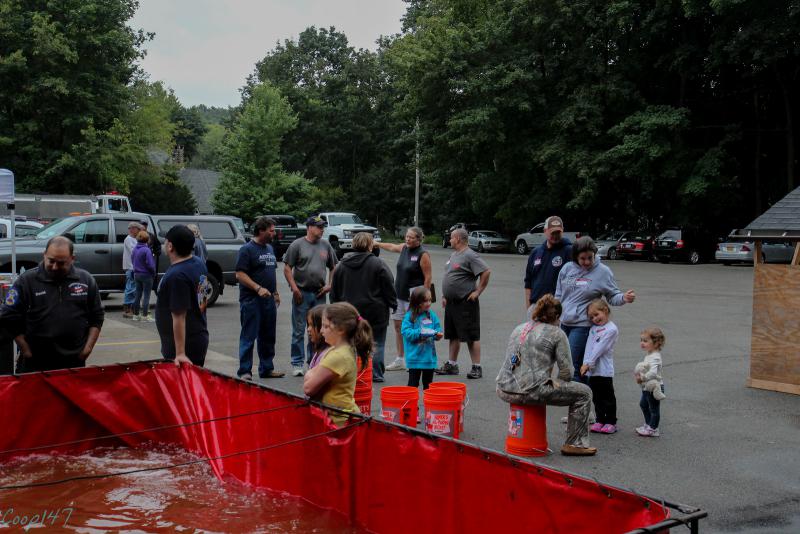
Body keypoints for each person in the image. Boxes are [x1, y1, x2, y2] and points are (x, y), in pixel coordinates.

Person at [496, 294, 596, 456]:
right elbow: (567, 372)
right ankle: (575, 443)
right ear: (557, 316)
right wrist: (555, 383)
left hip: (504, 388)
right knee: (584, 393)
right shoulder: (557, 333)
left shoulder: (519, 328)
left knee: (538, 384)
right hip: (531, 391)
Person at [0, 236, 104, 372]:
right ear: (44, 255)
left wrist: (87, 349)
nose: (55, 267)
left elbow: (97, 316)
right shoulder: (26, 281)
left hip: (73, 363)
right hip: (35, 364)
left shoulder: (86, 280)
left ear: (72, 259)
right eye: (51, 261)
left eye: (61, 263)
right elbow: (7, 315)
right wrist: (25, 349)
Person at [555, 236, 635, 383]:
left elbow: (613, 295)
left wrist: (624, 297)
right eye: (582, 258)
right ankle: (579, 393)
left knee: (575, 362)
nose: (586, 262)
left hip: (582, 325)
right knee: (565, 360)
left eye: (590, 258)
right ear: (575, 257)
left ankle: (579, 398)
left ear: (595, 254)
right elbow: (559, 294)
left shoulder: (603, 272)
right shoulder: (567, 268)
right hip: (564, 322)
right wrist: (555, 314)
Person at [330, 232, 397, 382]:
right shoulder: (378, 264)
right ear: (370, 245)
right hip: (376, 311)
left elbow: (335, 289)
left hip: (350, 312)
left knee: (351, 343)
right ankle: (376, 374)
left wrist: (335, 306)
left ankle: (352, 372)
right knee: (377, 342)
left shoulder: (342, 265)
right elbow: (389, 285)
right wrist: (393, 303)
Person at [283, 215, 338, 376]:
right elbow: (287, 268)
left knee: (318, 329)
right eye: (319, 227)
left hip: (319, 293)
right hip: (302, 293)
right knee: (299, 329)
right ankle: (297, 363)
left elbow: (334, 267)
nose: (322, 230)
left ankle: (313, 361)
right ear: (309, 227)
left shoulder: (325, 245)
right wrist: (294, 289)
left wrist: (330, 285)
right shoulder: (297, 245)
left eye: (323, 227)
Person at [303, 302, 372, 427]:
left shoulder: (338, 356)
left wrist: (310, 373)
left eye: (326, 326)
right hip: (338, 417)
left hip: (338, 422)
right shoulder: (339, 350)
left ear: (340, 329)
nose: (321, 330)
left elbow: (308, 388)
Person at [375, 227, 432, 372]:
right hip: (398, 294)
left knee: (415, 327)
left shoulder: (423, 254)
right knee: (398, 327)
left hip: (414, 295)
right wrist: (377, 244)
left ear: (419, 239)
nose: (408, 239)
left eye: (411, 237)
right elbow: (392, 246)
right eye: (407, 236)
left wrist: (424, 296)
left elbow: (428, 277)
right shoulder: (404, 248)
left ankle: (415, 359)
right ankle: (400, 359)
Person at [436, 228, 491, 379]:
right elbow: (450, 275)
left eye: (452, 238)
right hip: (452, 302)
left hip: (466, 301)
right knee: (453, 334)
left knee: (471, 335)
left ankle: (476, 367)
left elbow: (486, 271)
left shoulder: (470, 255)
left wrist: (478, 291)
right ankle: (452, 365)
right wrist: (445, 295)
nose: (450, 240)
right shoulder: (454, 254)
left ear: (459, 239)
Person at [235, 216, 283, 380]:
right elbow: (240, 274)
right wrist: (257, 288)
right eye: (271, 230)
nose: (274, 233)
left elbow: (271, 272)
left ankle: (267, 368)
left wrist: (275, 292)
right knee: (249, 335)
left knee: (268, 336)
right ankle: (245, 371)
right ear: (261, 230)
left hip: (268, 300)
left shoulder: (269, 248)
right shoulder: (247, 249)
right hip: (251, 300)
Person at [155, 225, 210, 366]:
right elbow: (203, 301)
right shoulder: (198, 263)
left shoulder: (177, 276)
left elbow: (179, 316)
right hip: (198, 337)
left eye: (165, 241)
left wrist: (180, 353)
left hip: (183, 349)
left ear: (170, 246)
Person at [579, 299, 619, 434]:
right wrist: (585, 363)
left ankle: (611, 422)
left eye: (597, 314)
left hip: (604, 370)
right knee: (596, 397)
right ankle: (600, 420)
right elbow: (589, 347)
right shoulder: (593, 329)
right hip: (593, 371)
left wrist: (589, 363)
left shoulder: (611, 329)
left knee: (608, 397)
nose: (595, 319)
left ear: (605, 311)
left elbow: (600, 348)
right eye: (591, 317)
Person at [523, 216, 572, 315]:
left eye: (558, 232)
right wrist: (529, 307)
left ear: (562, 231)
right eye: (552, 232)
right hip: (536, 306)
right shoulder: (536, 252)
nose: (555, 235)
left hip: (557, 307)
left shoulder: (569, 251)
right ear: (545, 231)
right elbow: (528, 281)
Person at [401, 286, 443, 392]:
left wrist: (437, 335)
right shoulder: (410, 316)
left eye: (430, 300)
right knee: (412, 385)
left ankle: (429, 407)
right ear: (417, 302)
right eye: (425, 301)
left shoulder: (431, 315)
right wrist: (420, 333)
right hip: (414, 358)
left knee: (428, 387)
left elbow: (437, 328)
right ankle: (411, 407)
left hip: (429, 358)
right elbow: (405, 332)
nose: (428, 303)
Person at [635, 327, 666, 437]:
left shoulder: (655, 357)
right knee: (643, 404)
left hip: (654, 387)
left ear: (656, 343)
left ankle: (653, 428)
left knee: (654, 409)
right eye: (641, 340)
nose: (642, 343)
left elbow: (653, 373)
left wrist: (642, 378)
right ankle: (648, 424)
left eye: (645, 341)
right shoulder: (650, 354)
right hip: (647, 387)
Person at [131, 230, 156, 322]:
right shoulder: (147, 250)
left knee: (137, 295)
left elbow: (132, 259)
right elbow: (150, 264)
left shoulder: (135, 249)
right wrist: (153, 272)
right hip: (146, 275)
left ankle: (135, 315)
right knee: (146, 296)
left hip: (137, 274)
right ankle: (145, 316)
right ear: (147, 240)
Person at [122, 221, 143, 318]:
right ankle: (127, 310)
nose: (139, 232)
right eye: (138, 230)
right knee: (130, 287)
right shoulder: (129, 239)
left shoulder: (135, 239)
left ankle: (133, 309)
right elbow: (134, 251)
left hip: (135, 267)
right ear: (133, 229)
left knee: (134, 288)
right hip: (131, 267)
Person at [306, 304, 330, 369]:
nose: (308, 329)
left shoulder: (327, 355)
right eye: (308, 325)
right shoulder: (319, 350)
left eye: (312, 325)